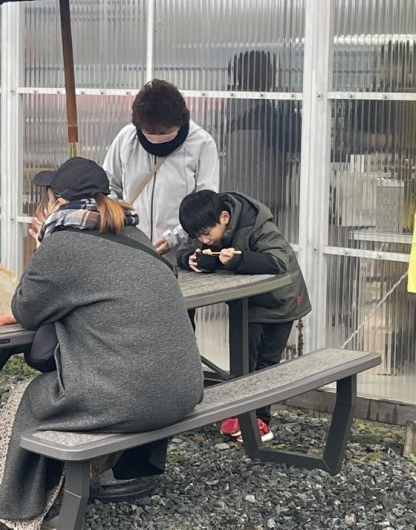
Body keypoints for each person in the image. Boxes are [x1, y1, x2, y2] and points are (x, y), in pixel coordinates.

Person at [0, 157, 203, 530]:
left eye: (47, 198)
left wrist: (44, 246)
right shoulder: (135, 236)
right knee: (88, 387)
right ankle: (78, 485)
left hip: (132, 398)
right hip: (184, 390)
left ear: (59, 202)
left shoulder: (63, 245)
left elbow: (25, 309)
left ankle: (15, 512)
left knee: (29, 398)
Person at [175, 189, 312, 442]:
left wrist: (240, 259)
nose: (204, 240)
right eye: (197, 236)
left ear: (225, 217)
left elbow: (278, 262)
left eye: (206, 234)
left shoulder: (257, 223)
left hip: (280, 300)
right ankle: (240, 414)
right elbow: (186, 250)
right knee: (243, 361)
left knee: (266, 363)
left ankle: (260, 421)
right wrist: (188, 259)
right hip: (247, 302)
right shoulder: (208, 227)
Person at [103, 79, 219, 258]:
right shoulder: (127, 138)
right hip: (131, 247)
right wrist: (118, 221)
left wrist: (175, 237)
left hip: (180, 253)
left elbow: (206, 202)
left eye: (164, 132)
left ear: (179, 122)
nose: (156, 137)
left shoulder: (201, 143)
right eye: (149, 132)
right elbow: (108, 186)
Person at [221, 50, 301, 220]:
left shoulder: (249, 103)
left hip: (252, 191)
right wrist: (288, 103)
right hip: (254, 193)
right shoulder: (251, 107)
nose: (272, 77)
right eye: (268, 71)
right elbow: (290, 140)